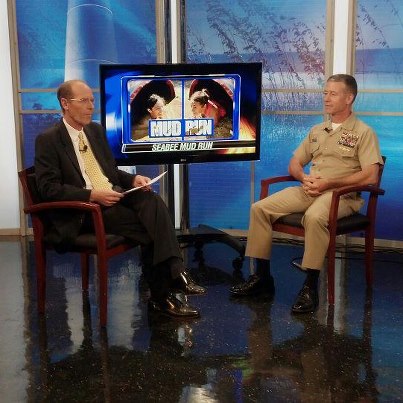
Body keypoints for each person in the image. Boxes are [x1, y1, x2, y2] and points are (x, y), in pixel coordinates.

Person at [35, 79, 206, 319]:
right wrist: (93, 195)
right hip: (83, 211)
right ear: (65, 104)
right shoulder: (49, 139)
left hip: (112, 195)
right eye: (83, 101)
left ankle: (171, 282)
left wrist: (132, 180)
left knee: (152, 201)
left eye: (92, 101)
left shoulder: (94, 130)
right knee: (150, 229)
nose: (90, 106)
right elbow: (48, 189)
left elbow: (110, 172)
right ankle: (165, 292)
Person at [230, 74, 383, 314]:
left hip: (341, 196)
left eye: (333, 94)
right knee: (259, 208)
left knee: (314, 217)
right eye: (325, 93)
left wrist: (329, 183)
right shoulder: (317, 130)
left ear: (349, 98)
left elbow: (371, 176)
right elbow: (295, 163)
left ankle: (310, 287)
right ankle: (262, 278)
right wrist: (303, 177)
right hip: (310, 189)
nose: (326, 98)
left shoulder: (364, 133)